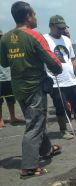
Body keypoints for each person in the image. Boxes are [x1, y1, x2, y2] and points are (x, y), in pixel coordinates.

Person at [0, 1, 63, 177]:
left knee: (36, 119)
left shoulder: (5, 38)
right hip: (34, 87)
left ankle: (46, 150)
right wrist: (58, 69)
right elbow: (53, 61)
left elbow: (4, 62)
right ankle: (28, 167)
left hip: (18, 88)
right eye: (34, 14)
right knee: (34, 125)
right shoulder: (34, 36)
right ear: (27, 17)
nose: (36, 17)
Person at [44, 15, 76, 140]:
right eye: (59, 28)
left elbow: (72, 59)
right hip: (56, 81)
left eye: (63, 28)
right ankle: (63, 130)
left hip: (71, 80)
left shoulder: (66, 40)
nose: (61, 30)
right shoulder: (44, 39)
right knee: (61, 107)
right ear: (52, 26)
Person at [0, 29, 25, 128]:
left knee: (11, 99)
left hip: (9, 77)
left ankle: (13, 117)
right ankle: (1, 120)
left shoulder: (6, 47)